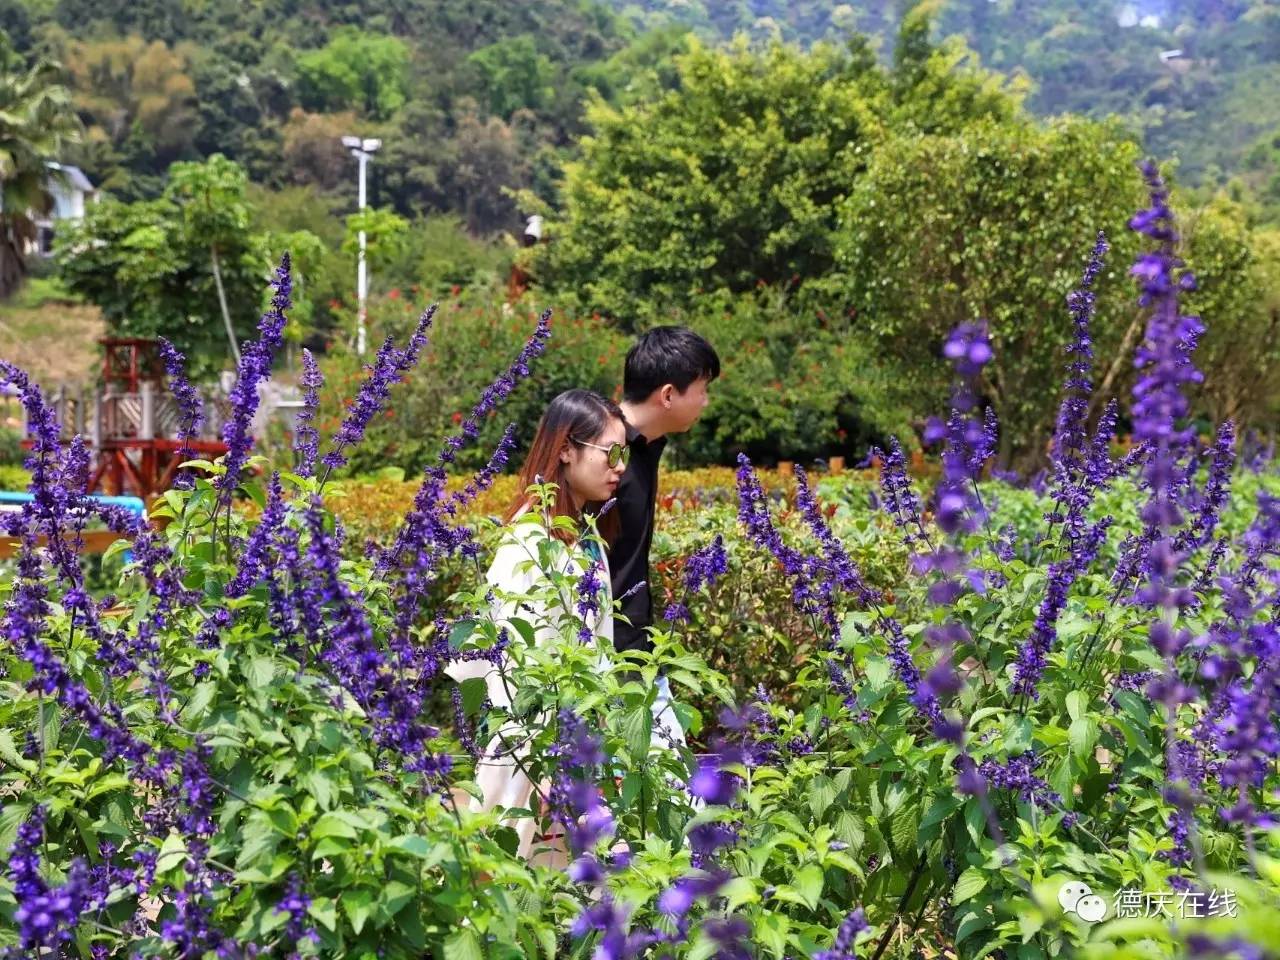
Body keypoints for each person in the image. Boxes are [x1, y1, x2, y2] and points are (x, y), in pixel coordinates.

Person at [444, 388, 627, 862]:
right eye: (611, 453)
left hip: (572, 749)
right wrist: (545, 766)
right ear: (566, 449)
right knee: (510, 875)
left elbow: (596, 657)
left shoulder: (585, 538)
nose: (620, 467)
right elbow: (511, 665)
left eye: (624, 454)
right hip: (530, 756)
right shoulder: (528, 540)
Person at [610, 326, 720, 747]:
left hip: (636, 652)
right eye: (702, 389)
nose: (705, 401)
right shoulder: (605, 451)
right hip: (600, 658)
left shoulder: (646, 445)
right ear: (669, 394)